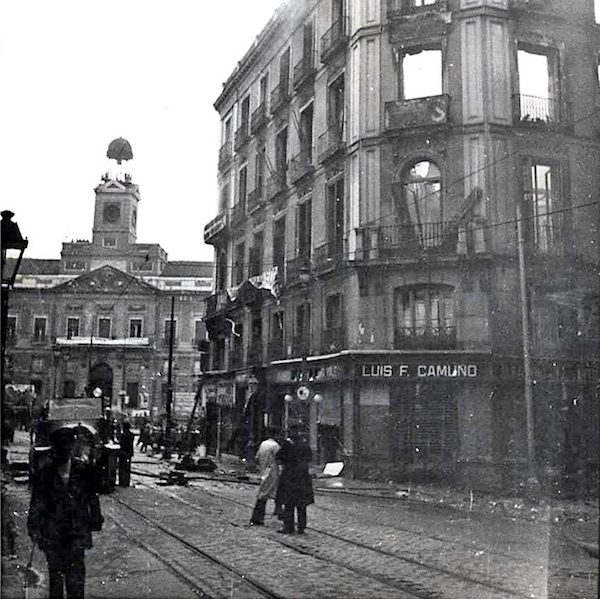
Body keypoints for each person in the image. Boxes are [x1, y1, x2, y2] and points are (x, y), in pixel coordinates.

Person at [28, 426, 103, 599]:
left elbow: (92, 496)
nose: (64, 450)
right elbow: (37, 502)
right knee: (56, 581)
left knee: (76, 582)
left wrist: (96, 518)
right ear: (54, 448)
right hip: (53, 535)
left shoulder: (83, 470)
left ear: (71, 446)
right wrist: (33, 528)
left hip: (75, 534)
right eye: (60, 446)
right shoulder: (45, 472)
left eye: (67, 446)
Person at [276, 424, 314, 534]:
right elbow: (310, 458)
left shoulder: (287, 445)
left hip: (290, 477)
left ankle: (289, 527)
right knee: (301, 504)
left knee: (289, 504)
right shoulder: (304, 444)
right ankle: (301, 527)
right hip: (302, 478)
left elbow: (279, 457)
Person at [249, 427, 281, 526]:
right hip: (273, 471)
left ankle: (279, 512)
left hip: (264, 471)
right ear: (276, 435)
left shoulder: (263, 444)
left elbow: (257, 457)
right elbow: (280, 459)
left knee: (264, 493)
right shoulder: (275, 446)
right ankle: (257, 518)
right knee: (267, 494)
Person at [118, 422, 135, 487]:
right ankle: (126, 481)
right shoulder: (131, 435)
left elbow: (121, 444)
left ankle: (121, 482)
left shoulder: (123, 435)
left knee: (122, 468)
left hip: (123, 453)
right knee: (127, 468)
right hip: (129, 453)